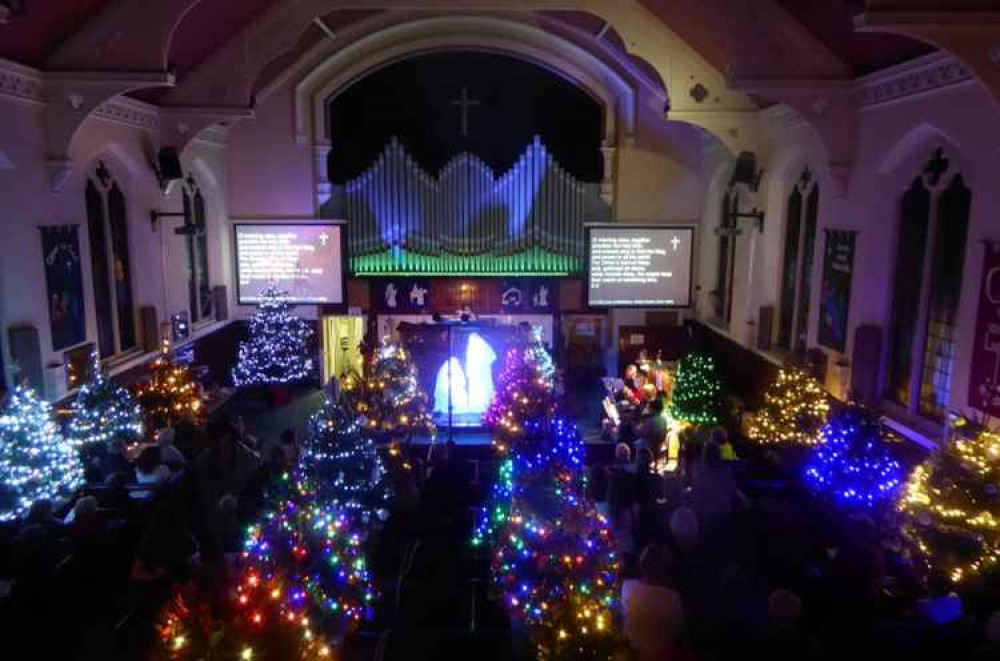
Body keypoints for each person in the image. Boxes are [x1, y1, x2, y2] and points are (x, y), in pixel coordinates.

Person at [621, 544, 684, 660]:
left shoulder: (627, 587)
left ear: (642, 564)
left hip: (629, 653)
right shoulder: (672, 597)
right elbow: (678, 630)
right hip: (660, 655)